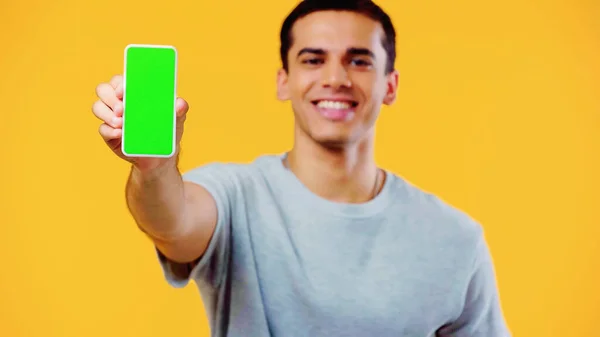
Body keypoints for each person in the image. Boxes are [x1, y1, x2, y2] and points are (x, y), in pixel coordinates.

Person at [92, 0, 511, 336]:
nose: (335, 78)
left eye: (359, 60)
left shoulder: (456, 240)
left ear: (390, 85)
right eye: (313, 60)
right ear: (283, 80)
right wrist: (155, 167)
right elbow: (171, 222)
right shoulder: (235, 197)